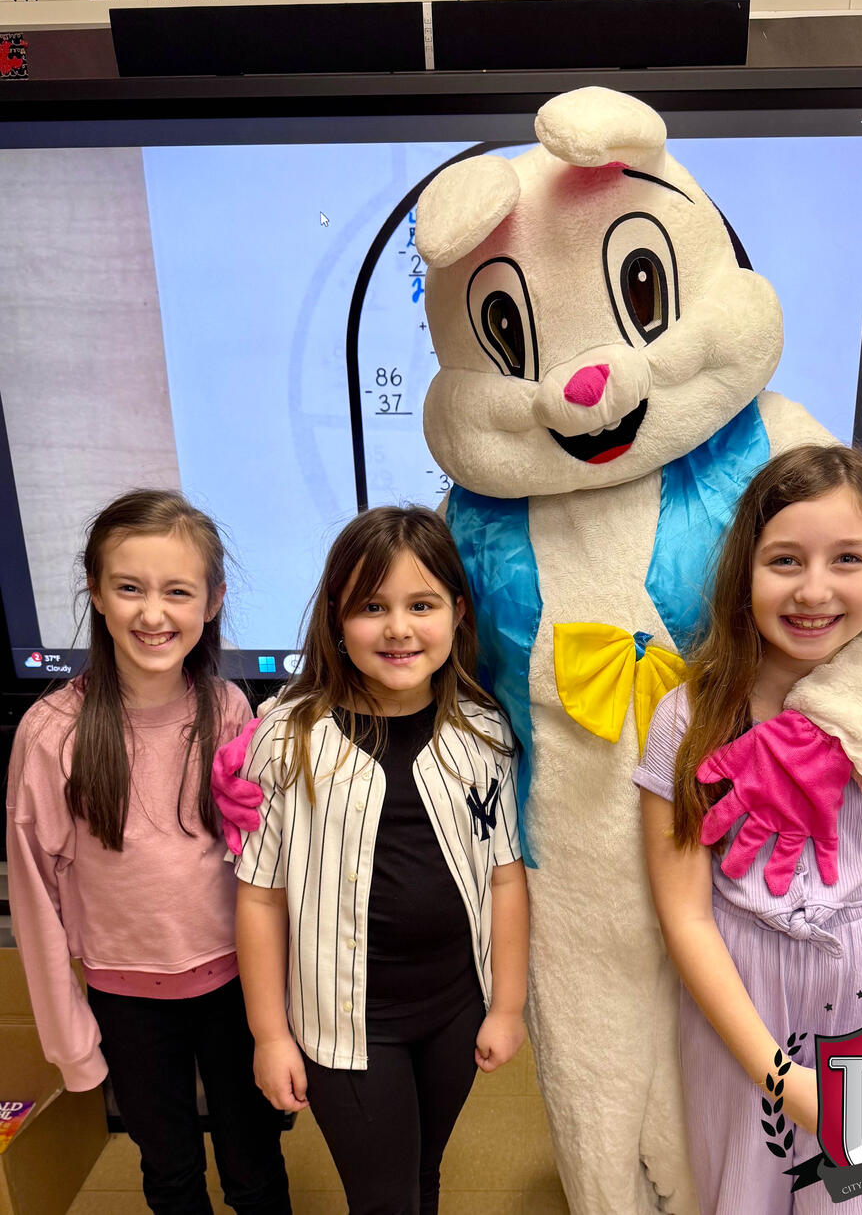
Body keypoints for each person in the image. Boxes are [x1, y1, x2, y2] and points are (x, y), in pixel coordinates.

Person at [634, 445, 862, 1215]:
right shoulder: (689, 719)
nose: (814, 590)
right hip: (743, 1013)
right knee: (739, 1196)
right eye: (785, 560)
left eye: (848, 558)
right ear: (744, 572)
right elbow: (685, 915)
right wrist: (783, 1081)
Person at [230, 505, 529, 1215]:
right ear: (337, 617)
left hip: (455, 1009)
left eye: (421, 605)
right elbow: (260, 896)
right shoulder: (287, 737)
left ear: (457, 613)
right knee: (385, 1198)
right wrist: (269, 1035)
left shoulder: (485, 730)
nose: (398, 628)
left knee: (422, 1174)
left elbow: (504, 877)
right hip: (346, 1027)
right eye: (372, 607)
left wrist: (508, 1006)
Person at [5, 490, 291, 1215]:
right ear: (96, 592)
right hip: (127, 1003)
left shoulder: (230, 707)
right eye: (130, 588)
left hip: (238, 989)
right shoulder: (51, 732)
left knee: (255, 1163)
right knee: (168, 1170)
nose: (153, 614)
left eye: (178, 592)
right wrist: (72, 1045)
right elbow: (35, 902)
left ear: (213, 601)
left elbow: (260, 862)